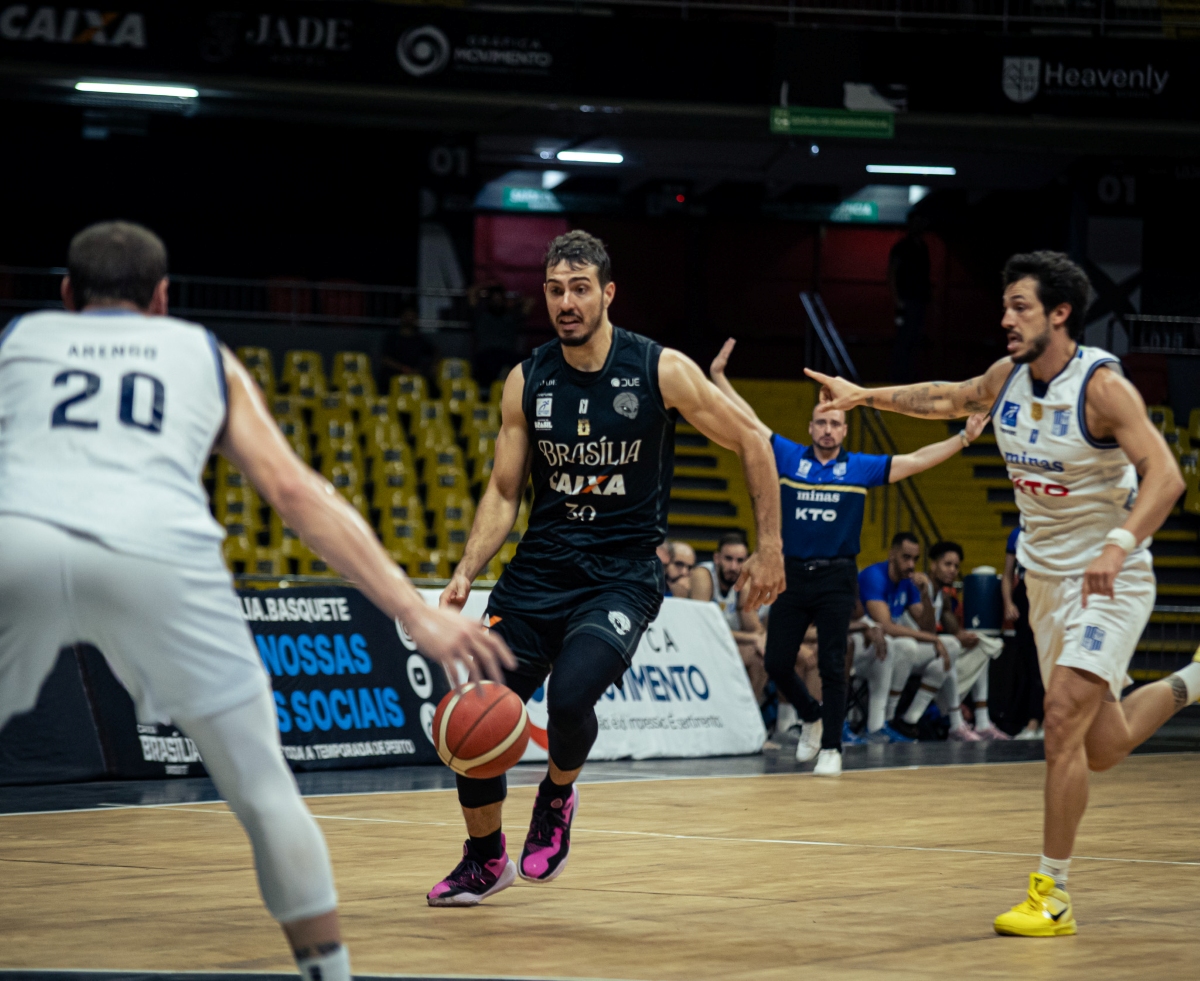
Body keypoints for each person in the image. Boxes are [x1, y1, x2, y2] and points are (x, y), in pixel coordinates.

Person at [0, 221, 513, 981]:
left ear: (68, 294)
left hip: (22, 543)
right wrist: (414, 609)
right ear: (163, 299)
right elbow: (294, 493)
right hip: (160, 553)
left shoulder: (19, 339)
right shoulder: (200, 352)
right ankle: (326, 970)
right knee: (266, 794)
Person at [807, 249, 1195, 936]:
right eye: (1006, 306)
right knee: (1101, 744)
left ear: (1060, 313)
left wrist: (1118, 544)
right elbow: (946, 398)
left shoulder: (1103, 388)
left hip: (1110, 577)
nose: (1006, 319)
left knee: (1061, 716)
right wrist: (863, 396)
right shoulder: (1006, 377)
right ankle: (1195, 679)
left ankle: (1052, 894)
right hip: (1045, 581)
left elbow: (1166, 477)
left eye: (1021, 307)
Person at [433, 230, 785, 904]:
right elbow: (504, 491)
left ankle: (556, 797)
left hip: (620, 575)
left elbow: (752, 439)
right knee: (476, 708)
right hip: (538, 572)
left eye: (579, 288)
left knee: (570, 698)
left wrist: (770, 546)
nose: (566, 302)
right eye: (555, 290)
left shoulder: (659, 369)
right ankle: (484, 858)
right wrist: (467, 568)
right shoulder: (527, 378)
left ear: (608, 293)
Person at [709, 337, 988, 775]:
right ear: (810, 427)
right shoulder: (788, 457)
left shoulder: (858, 467)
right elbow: (747, 420)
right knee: (777, 660)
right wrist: (718, 378)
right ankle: (812, 716)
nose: (828, 429)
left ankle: (832, 747)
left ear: (844, 430)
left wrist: (963, 439)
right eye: (821, 422)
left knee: (832, 662)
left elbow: (916, 459)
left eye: (835, 423)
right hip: (790, 574)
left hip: (837, 576)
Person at [858, 533, 952, 741]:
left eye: (915, 559)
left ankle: (910, 719)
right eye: (906, 557)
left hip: (891, 652)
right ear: (892, 554)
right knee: (904, 645)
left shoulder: (908, 582)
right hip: (865, 648)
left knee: (951, 645)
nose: (911, 565)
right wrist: (933, 639)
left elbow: (928, 628)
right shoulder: (874, 575)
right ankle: (885, 720)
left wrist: (925, 595)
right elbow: (886, 626)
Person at [922, 541, 1009, 741]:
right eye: (947, 564)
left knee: (981, 645)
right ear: (933, 564)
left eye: (956, 566)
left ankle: (982, 721)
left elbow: (956, 631)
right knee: (953, 646)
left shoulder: (944, 597)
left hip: (935, 648)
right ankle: (955, 721)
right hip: (918, 649)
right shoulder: (920, 586)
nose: (953, 570)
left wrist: (968, 637)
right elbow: (923, 630)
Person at [691, 532, 768, 702]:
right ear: (717, 558)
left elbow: (756, 630)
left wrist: (760, 637)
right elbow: (704, 628)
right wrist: (752, 638)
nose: (733, 566)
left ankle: (749, 713)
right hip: (700, 646)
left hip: (725, 645)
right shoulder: (703, 576)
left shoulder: (743, 583)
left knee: (762, 657)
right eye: (728, 559)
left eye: (740, 561)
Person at [1002, 526, 1044, 739]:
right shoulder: (1017, 534)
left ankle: (1039, 720)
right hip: (1025, 596)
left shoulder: (1054, 525)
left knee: (1044, 661)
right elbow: (1007, 575)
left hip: (1047, 595)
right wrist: (1008, 602)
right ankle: (1029, 721)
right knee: (1028, 661)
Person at [888, 211, 932, 383]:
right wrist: (897, 300)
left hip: (919, 300)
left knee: (915, 340)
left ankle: (910, 377)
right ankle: (899, 377)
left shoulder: (923, 247)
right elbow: (892, 274)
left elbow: (925, 276)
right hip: (906, 301)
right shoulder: (902, 247)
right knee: (904, 340)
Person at [469, 281, 531, 388]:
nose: (497, 302)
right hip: (486, 355)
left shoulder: (511, 316)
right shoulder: (481, 315)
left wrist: (514, 301)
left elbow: (530, 301)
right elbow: (471, 292)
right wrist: (489, 284)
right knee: (484, 365)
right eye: (494, 299)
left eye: (499, 299)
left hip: (507, 355)